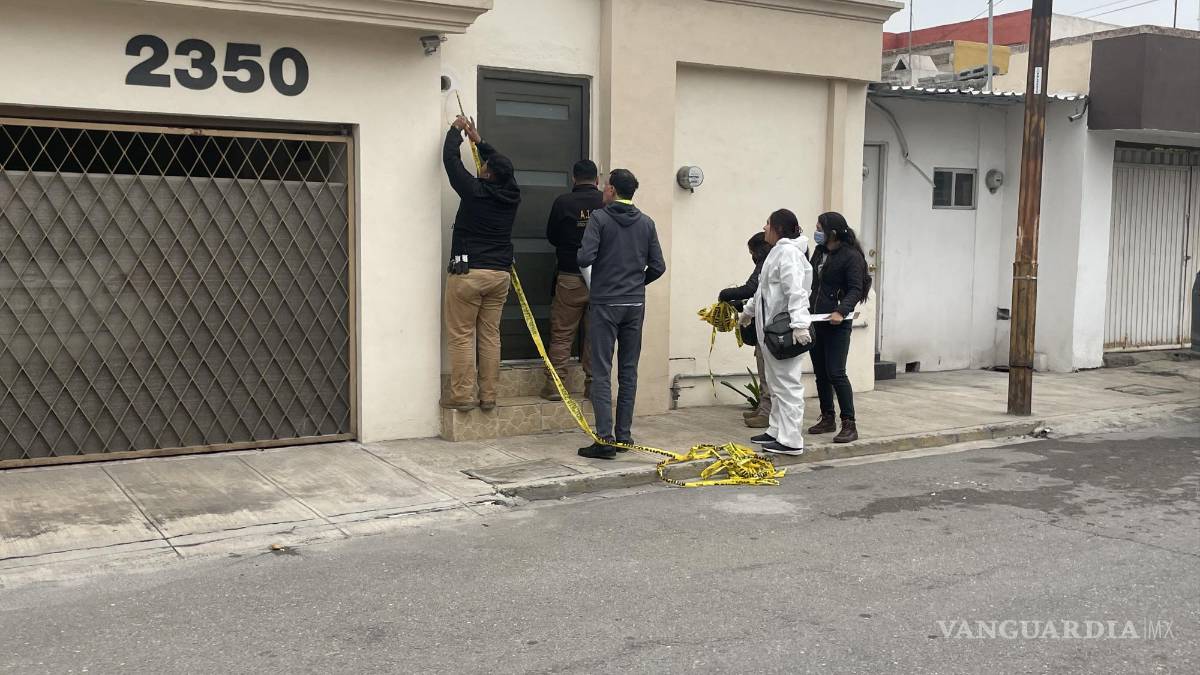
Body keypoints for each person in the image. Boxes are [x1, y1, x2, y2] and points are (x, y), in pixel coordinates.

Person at [575, 169, 666, 460]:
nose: (602, 190)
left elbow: (584, 257)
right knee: (629, 371)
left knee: (602, 371)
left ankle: (605, 439)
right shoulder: (647, 223)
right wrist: (637, 282)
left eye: (605, 187)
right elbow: (659, 266)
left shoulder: (599, 218)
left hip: (605, 303)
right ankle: (624, 435)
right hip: (634, 305)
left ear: (612, 190)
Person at [441, 115, 521, 413]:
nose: (482, 166)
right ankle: (489, 396)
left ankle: (463, 397)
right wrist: (480, 141)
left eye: (485, 166)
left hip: (468, 273)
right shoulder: (513, 194)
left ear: (487, 175)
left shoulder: (474, 191)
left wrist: (455, 131)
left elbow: (451, 162)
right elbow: (505, 169)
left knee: (462, 336)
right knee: (490, 335)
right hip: (499, 274)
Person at [739, 209, 813, 455]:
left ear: (778, 228)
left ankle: (791, 440)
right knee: (775, 383)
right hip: (771, 332)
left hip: (785, 333)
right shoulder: (778, 253)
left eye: (768, 224)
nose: (764, 228)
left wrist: (800, 325)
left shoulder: (788, 254)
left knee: (787, 385)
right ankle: (776, 431)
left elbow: (796, 291)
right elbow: (764, 291)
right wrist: (748, 312)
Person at [541, 160, 605, 401]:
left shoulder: (563, 202)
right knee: (596, 333)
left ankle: (556, 386)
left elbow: (552, 236)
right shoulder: (604, 203)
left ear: (573, 179)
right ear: (597, 180)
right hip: (600, 278)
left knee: (562, 332)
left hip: (570, 275)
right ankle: (593, 386)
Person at [807, 211, 868, 443]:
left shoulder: (851, 257)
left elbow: (856, 288)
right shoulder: (820, 252)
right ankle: (827, 417)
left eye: (820, 228)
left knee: (836, 372)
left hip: (837, 324)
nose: (817, 233)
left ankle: (849, 423)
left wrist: (841, 311)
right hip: (816, 320)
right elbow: (812, 282)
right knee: (821, 373)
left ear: (832, 232)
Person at [718, 232, 774, 428]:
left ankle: (768, 412)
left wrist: (727, 295)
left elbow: (752, 288)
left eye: (751, 252)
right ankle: (764, 408)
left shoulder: (767, 262)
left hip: (771, 326)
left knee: (767, 370)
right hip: (765, 323)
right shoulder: (770, 260)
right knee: (763, 367)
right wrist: (741, 306)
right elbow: (756, 296)